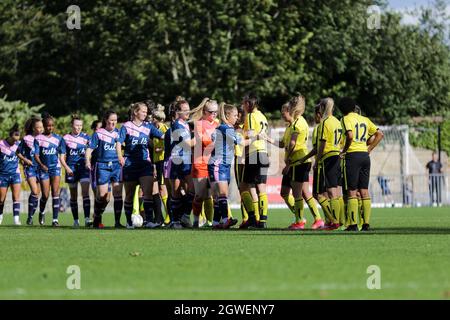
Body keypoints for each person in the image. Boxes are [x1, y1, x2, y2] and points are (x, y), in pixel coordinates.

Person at [265, 97, 324, 230]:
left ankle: (300, 222)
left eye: (283, 112)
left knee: (298, 193)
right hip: (295, 162)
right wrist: (266, 138)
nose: (282, 114)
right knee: (288, 192)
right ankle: (316, 219)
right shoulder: (290, 126)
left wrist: (288, 163)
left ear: (289, 110)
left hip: (299, 162)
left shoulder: (299, 123)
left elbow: (292, 144)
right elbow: (282, 144)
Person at [338, 97, 384, 231]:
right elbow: (379, 134)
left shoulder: (345, 119)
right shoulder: (364, 119)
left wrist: (344, 151)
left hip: (352, 156)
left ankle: (352, 224)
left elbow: (350, 136)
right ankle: (366, 224)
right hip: (365, 156)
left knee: (352, 191)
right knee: (364, 190)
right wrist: (369, 149)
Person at [118, 102, 164, 229]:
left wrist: (175, 138)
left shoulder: (148, 127)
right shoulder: (126, 126)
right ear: (135, 112)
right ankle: (128, 222)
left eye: (146, 112)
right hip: (130, 165)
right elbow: (119, 143)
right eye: (143, 111)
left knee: (147, 193)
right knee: (129, 195)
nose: (145, 113)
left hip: (145, 164)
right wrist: (120, 157)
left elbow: (164, 136)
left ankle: (149, 221)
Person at [85, 110, 123, 228]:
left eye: (115, 120)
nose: (113, 122)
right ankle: (97, 216)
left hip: (116, 166)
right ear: (106, 120)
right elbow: (89, 148)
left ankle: (117, 222)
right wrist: (87, 160)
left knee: (117, 193)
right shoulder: (98, 133)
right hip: (102, 166)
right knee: (103, 196)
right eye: (111, 120)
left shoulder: (119, 133)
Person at [208, 103, 242, 229]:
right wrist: (257, 136)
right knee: (222, 193)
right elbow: (239, 141)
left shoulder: (225, 128)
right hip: (218, 164)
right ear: (227, 115)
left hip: (225, 165)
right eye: (234, 115)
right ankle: (226, 219)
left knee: (219, 196)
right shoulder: (225, 128)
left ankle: (216, 223)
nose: (237, 118)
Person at [240, 93, 270, 228]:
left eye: (244, 103)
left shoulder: (251, 116)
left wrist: (240, 143)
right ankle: (262, 220)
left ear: (248, 104)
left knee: (244, 187)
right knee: (261, 188)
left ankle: (252, 217)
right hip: (263, 152)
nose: (242, 105)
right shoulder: (262, 116)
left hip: (254, 153)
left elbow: (252, 136)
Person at [34, 113, 69, 227]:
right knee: (45, 195)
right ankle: (42, 212)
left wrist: (65, 165)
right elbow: (36, 155)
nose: (50, 127)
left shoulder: (58, 139)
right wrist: (41, 164)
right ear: (44, 125)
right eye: (48, 125)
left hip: (56, 168)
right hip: (44, 169)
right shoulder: (38, 139)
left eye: (52, 125)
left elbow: (62, 154)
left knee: (55, 193)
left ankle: (55, 220)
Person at [190, 98, 219, 228]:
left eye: (216, 112)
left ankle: (210, 221)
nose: (214, 114)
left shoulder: (217, 123)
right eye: (212, 112)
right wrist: (218, 142)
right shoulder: (199, 124)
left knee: (211, 195)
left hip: (213, 163)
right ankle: (196, 220)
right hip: (200, 162)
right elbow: (203, 141)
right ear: (205, 111)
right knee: (200, 194)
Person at [167, 99, 195, 229]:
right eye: (184, 109)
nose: (187, 111)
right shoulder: (177, 124)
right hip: (177, 160)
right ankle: (175, 221)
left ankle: (184, 216)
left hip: (186, 160)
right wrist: (202, 135)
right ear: (178, 112)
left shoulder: (185, 124)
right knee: (176, 192)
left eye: (188, 108)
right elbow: (188, 144)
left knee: (192, 189)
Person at [62, 115, 91, 227]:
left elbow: (91, 152)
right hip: (71, 169)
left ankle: (87, 219)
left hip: (83, 169)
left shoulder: (86, 138)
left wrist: (88, 161)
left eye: (80, 125)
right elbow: (62, 156)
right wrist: (67, 168)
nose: (78, 127)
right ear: (71, 125)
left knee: (85, 193)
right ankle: (76, 220)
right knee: (73, 196)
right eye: (76, 125)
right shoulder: (65, 138)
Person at [0, 124, 26, 226]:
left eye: (17, 139)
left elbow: (20, 155)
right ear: (10, 136)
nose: (16, 142)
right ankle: (0, 217)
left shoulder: (18, 144)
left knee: (16, 197)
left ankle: (16, 220)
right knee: (1, 199)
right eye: (14, 139)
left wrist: (25, 162)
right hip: (2, 175)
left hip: (15, 174)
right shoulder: (1, 144)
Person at [20, 117, 44, 225]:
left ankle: (32, 215)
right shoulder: (26, 139)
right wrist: (26, 160)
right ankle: (30, 217)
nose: (40, 129)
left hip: (40, 168)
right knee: (34, 191)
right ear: (33, 128)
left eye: (41, 127)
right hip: (30, 168)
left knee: (37, 193)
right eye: (38, 127)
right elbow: (18, 152)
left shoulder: (44, 138)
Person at [152, 106, 169, 225]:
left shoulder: (165, 129)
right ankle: (159, 217)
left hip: (163, 161)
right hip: (156, 162)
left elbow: (169, 144)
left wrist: (161, 148)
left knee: (163, 189)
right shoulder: (154, 130)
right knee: (158, 189)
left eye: (153, 118)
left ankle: (169, 215)